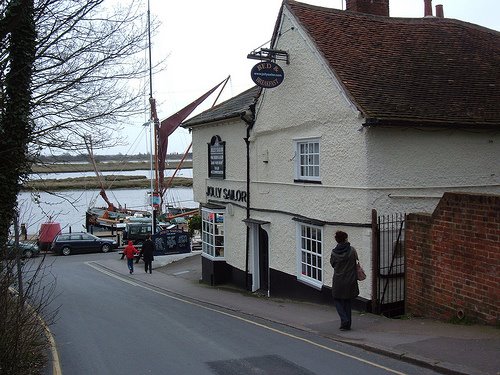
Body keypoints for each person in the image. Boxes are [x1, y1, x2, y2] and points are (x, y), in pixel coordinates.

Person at [330, 230, 359, 331]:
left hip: (339, 279)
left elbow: (333, 264)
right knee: (347, 301)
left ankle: (344, 319)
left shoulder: (334, 253)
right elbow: (356, 261)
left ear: (337, 240)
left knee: (337, 299)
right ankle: (347, 325)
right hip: (350, 279)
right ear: (346, 239)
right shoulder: (352, 250)